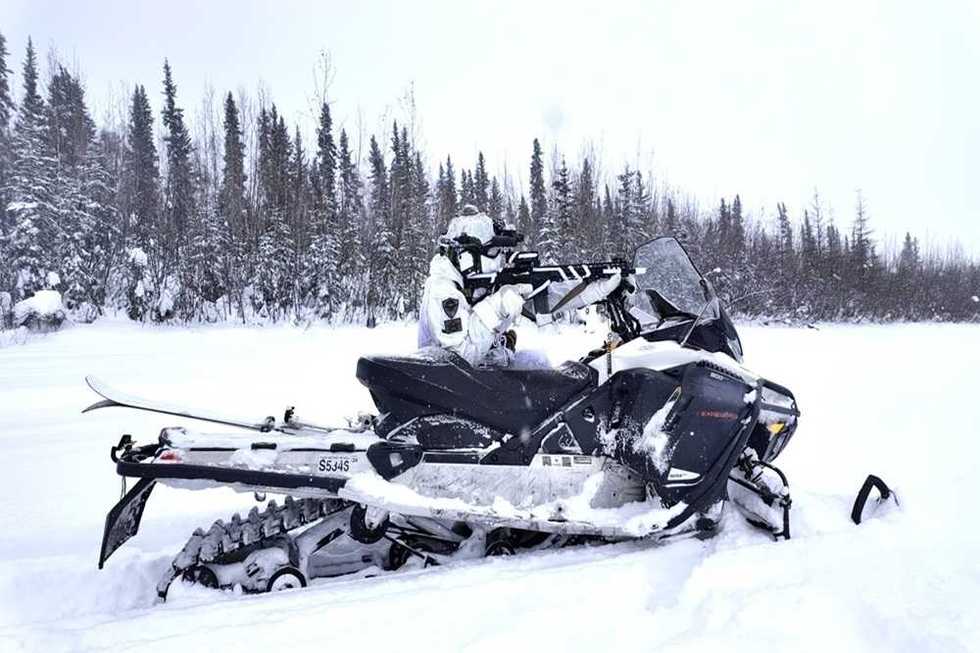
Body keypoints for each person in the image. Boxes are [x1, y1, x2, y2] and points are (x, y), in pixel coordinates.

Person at [418, 205, 621, 367]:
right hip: (452, 391)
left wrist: (594, 289)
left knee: (538, 364)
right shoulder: (443, 290)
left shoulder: (479, 281)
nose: (500, 259)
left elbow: (541, 302)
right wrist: (497, 305)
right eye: (494, 252)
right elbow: (460, 359)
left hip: (485, 372)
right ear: (466, 256)